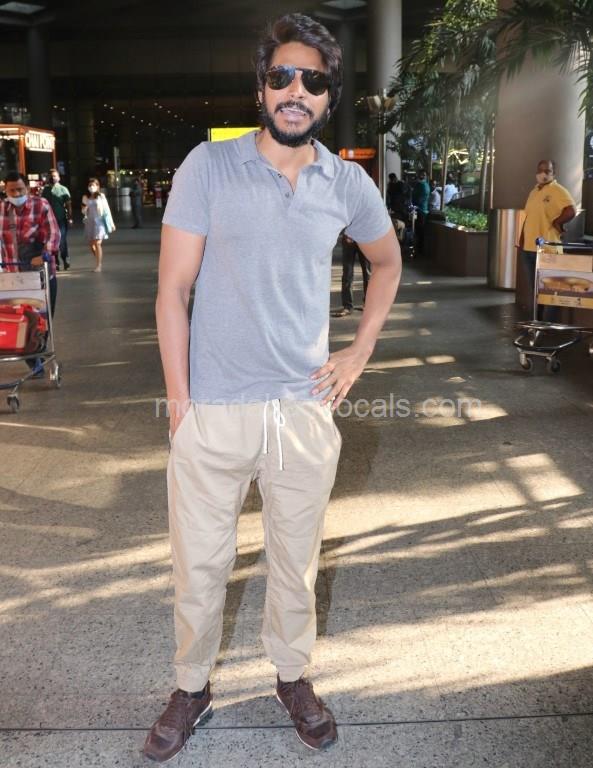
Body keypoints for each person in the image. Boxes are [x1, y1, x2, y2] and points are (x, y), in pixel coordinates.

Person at [143, 12, 401, 764]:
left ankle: (291, 677)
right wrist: (181, 404)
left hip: (302, 410)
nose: (296, 91)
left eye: (311, 81)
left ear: (328, 98)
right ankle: (191, 686)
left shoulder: (346, 181)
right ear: (261, 87)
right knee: (199, 566)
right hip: (214, 409)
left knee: (297, 563)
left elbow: (386, 263)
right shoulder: (208, 167)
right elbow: (171, 290)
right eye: (282, 76)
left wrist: (357, 352)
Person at [0, 172, 60, 375]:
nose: (17, 194)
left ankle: (37, 352)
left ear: (27, 187)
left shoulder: (41, 205)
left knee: (42, 320)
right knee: (21, 319)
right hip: (14, 277)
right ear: (5, 190)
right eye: (12, 190)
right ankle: (34, 361)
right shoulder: (2, 209)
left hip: (40, 275)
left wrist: (45, 253)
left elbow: (53, 233)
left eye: (20, 189)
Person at [518, 159, 576, 313]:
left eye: (547, 171)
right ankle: (538, 321)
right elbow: (528, 217)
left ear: (554, 173)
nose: (543, 174)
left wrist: (557, 222)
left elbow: (571, 210)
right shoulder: (533, 192)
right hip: (528, 249)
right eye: (540, 170)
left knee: (550, 291)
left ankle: (548, 324)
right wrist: (521, 241)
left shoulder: (558, 190)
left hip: (547, 249)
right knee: (536, 290)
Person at [81, 178, 115, 272]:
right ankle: (98, 259)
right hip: (90, 222)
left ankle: (99, 265)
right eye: (90, 185)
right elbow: (83, 210)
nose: (91, 187)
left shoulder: (101, 196)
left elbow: (107, 210)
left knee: (97, 243)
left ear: (97, 186)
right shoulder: (85, 197)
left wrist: (111, 223)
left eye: (93, 185)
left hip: (99, 222)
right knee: (92, 245)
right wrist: (85, 208)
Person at [332, 233, 370, 316]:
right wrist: (347, 233)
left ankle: (368, 304)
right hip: (349, 238)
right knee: (347, 273)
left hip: (365, 238)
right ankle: (347, 306)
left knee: (367, 273)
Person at [42, 168, 73, 271]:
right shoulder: (45, 190)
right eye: (50, 176)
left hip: (61, 219)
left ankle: (65, 259)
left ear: (59, 178)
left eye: (54, 176)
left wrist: (70, 218)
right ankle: (56, 262)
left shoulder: (63, 189)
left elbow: (68, 205)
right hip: (49, 221)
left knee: (62, 240)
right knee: (52, 241)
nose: (52, 178)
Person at [412, 170, 430, 254]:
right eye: (421, 174)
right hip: (422, 210)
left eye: (423, 175)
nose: (421, 176)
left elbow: (416, 198)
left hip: (420, 210)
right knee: (420, 231)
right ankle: (419, 249)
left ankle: (419, 249)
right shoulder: (424, 185)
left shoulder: (422, 185)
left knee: (419, 231)